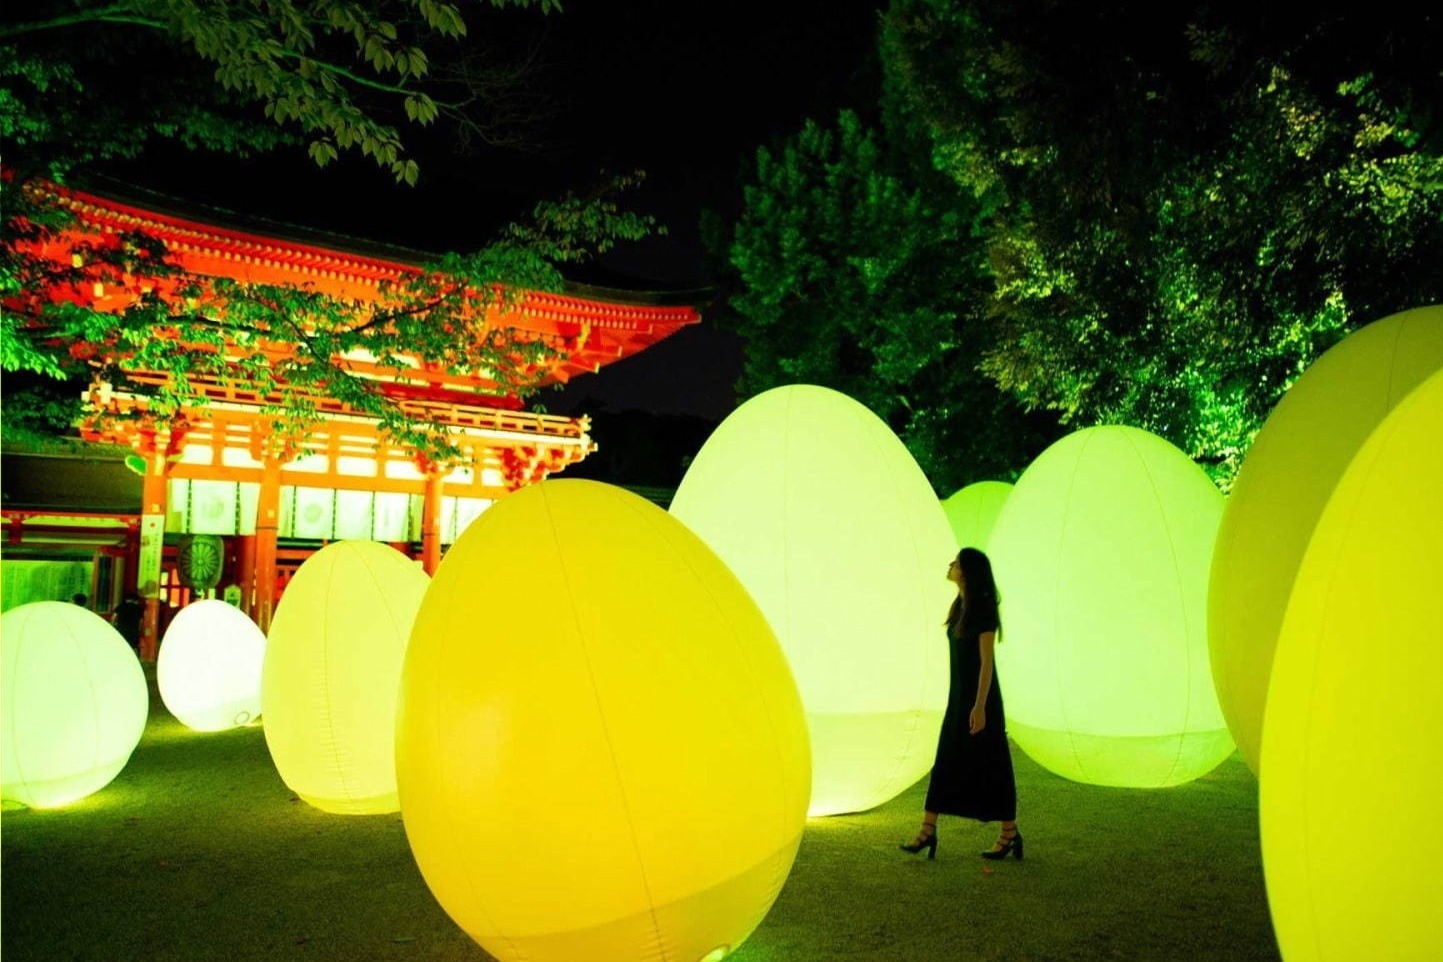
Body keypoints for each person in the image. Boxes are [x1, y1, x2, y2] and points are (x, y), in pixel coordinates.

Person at [900, 547, 1022, 861]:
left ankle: (1009, 832)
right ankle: (928, 829)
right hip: (959, 700)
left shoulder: (983, 610)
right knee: (946, 760)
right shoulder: (959, 607)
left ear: (966, 572)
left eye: (956, 562)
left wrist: (980, 706)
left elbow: (986, 663)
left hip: (981, 702)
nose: (950, 564)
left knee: (992, 764)